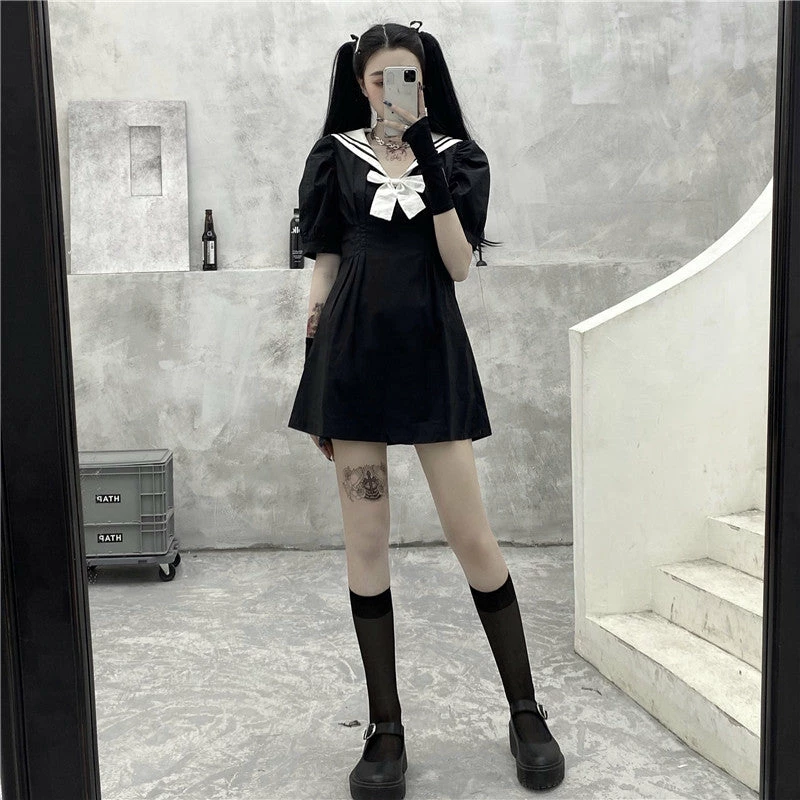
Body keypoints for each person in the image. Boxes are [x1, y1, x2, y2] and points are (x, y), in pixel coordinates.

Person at [287, 21, 565, 798]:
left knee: (472, 536)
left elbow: (458, 266)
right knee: (366, 541)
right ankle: (385, 728)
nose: (390, 90)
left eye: (404, 76)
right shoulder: (334, 157)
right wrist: (317, 378)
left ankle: (525, 710)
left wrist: (427, 164)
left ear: (426, 81)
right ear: (359, 85)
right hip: (351, 367)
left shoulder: (459, 159)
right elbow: (325, 268)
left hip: (433, 361)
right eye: (377, 78)